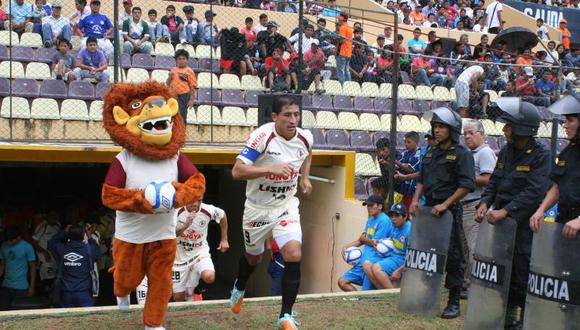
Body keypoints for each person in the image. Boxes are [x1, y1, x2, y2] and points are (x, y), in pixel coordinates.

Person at [228, 96, 313, 330]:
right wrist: (270, 168)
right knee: (253, 258)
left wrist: (304, 177)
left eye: (296, 114)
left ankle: (285, 315)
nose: (293, 120)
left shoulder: (305, 137)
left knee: (293, 253)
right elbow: (237, 171)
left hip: (285, 206)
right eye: (287, 115)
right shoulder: (262, 137)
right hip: (257, 209)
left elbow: (308, 154)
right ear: (275, 117)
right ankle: (240, 286)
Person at [476, 98, 549, 329]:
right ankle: (504, 313)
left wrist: (506, 211)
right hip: (501, 222)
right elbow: (496, 180)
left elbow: (533, 192)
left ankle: (520, 316)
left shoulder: (540, 155)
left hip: (523, 225)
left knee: (521, 270)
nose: (504, 129)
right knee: (499, 269)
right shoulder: (507, 151)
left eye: (508, 125)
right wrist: (485, 202)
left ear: (522, 127)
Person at [410, 107, 476, 319]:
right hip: (429, 209)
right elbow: (422, 178)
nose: (437, 131)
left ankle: (454, 301)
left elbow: (467, 185)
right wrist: (414, 201)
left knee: (455, 258)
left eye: (442, 127)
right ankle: (429, 296)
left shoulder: (462, 154)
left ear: (452, 129)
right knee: (429, 255)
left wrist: (446, 204)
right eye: (435, 127)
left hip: (449, 212)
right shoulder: (430, 152)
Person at [530, 94, 580, 239]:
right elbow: (558, 185)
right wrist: (541, 210)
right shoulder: (568, 152)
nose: (565, 125)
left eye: (570, 120)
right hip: (565, 222)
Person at [459, 119, 497, 299]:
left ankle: (476, 286)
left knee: (475, 248)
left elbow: (489, 179)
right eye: (465, 133)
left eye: (471, 133)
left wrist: (465, 178)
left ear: (481, 134)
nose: (467, 136)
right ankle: (467, 284)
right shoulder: (471, 153)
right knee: (466, 249)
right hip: (465, 204)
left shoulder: (485, 153)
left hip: (476, 204)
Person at [170, 196, 229, 302]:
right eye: (192, 200)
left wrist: (224, 239)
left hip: (199, 253)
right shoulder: (176, 211)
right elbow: (171, 234)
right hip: (180, 258)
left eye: (199, 200)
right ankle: (190, 295)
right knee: (179, 297)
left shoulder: (208, 210)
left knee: (209, 276)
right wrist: (186, 225)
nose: (196, 204)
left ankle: (197, 291)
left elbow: (223, 215)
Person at [339, 195, 391, 291]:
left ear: (380, 206)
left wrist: (364, 239)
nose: (369, 208)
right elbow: (361, 240)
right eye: (368, 206)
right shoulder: (370, 220)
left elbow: (376, 244)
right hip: (362, 263)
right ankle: (358, 300)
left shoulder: (385, 220)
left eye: (371, 205)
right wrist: (346, 247)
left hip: (372, 263)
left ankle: (362, 303)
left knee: (366, 293)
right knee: (342, 281)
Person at [47, 224, 101, 307]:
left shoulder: (61, 248)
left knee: (67, 319)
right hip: (84, 292)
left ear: (68, 235)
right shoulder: (89, 249)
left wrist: (64, 232)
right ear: (84, 235)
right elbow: (97, 254)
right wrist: (90, 237)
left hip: (66, 293)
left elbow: (51, 243)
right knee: (88, 318)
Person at [362, 203, 411, 289]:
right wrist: (380, 243)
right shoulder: (394, 226)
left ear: (405, 216)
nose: (393, 218)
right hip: (391, 256)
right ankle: (382, 292)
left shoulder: (410, 230)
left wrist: (399, 271)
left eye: (397, 215)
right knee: (366, 264)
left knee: (377, 268)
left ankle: (392, 295)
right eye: (392, 216)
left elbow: (413, 256)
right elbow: (390, 241)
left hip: (401, 260)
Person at [0, 227, 36, 310]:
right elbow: (2, 264)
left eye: (11, 240)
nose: (9, 243)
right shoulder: (4, 245)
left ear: (19, 237)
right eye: (7, 240)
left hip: (21, 288)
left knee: (18, 313)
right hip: (6, 286)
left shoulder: (27, 247)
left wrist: (32, 287)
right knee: (4, 312)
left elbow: (33, 268)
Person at [31, 211, 60, 291]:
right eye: (52, 216)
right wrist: (44, 252)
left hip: (54, 255)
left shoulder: (58, 225)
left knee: (54, 276)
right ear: (47, 217)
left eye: (55, 216)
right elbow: (34, 242)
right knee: (47, 277)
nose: (54, 218)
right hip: (44, 255)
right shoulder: (43, 226)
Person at [167, 49, 197, 123]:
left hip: (184, 95)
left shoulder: (189, 71)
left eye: (184, 59)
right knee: (172, 113)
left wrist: (191, 100)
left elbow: (192, 86)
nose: (181, 61)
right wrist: (170, 77)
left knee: (181, 114)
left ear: (187, 60)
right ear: (176, 60)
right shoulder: (173, 70)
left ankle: (182, 132)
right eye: (179, 59)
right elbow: (167, 83)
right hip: (173, 95)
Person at [394, 131, 421, 211]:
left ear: (416, 142)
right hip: (404, 189)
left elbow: (410, 169)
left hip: (414, 189)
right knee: (404, 210)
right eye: (405, 142)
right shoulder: (405, 153)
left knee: (411, 211)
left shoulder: (419, 154)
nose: (406, 144)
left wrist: (396, 162)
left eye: (408, 142)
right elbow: (396, 165)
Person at [336, 13, 353, 84]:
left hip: (342, 52)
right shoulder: (349, 27)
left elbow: (342, 40)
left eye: (339, 19)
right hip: (348, 52)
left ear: (341, 19)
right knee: (346, 70)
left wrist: (336, 38)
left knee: (341, 70)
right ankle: (348, 86)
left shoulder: (342, 27)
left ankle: (342, 87)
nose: (338, 20)